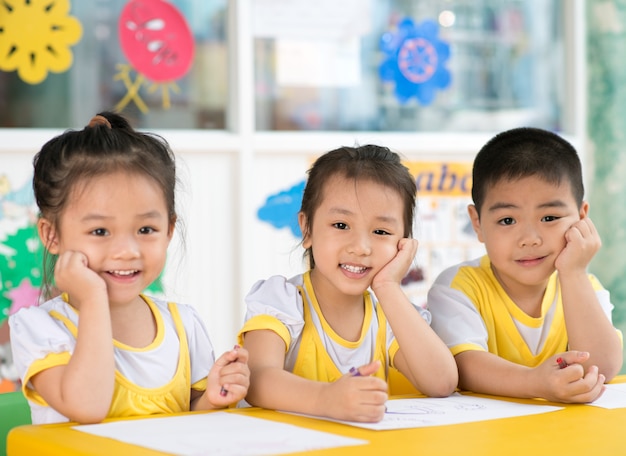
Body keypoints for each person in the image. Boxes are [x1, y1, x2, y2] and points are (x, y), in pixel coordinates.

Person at [9, 112, 249, 424]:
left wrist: (213, 400)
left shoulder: (183, 325)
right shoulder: (40, 328)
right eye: (100, 232)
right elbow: (87, 408)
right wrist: (94, 298)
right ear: (51, 235)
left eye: (146, 229)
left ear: (169, 230)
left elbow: (188, 426)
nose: (126, 251)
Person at [238, 145, 458, 423]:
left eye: (381, 232)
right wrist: (326, 399)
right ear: (307, 229)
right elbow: (257, 380)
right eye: (341, 225)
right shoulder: (281, 300)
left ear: (403, 244)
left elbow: (441, 382)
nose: (361, 247)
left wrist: (388, 286)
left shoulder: (391, 315)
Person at [428, 127, 623, 404]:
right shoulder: (458, 287)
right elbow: (464, 366)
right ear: (477, 223)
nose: (530, 239)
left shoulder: (583, 285)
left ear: (581, 217)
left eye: (550, 217)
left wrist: (574, 273)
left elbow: (601, 369)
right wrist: (536, 383)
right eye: (507, 220)